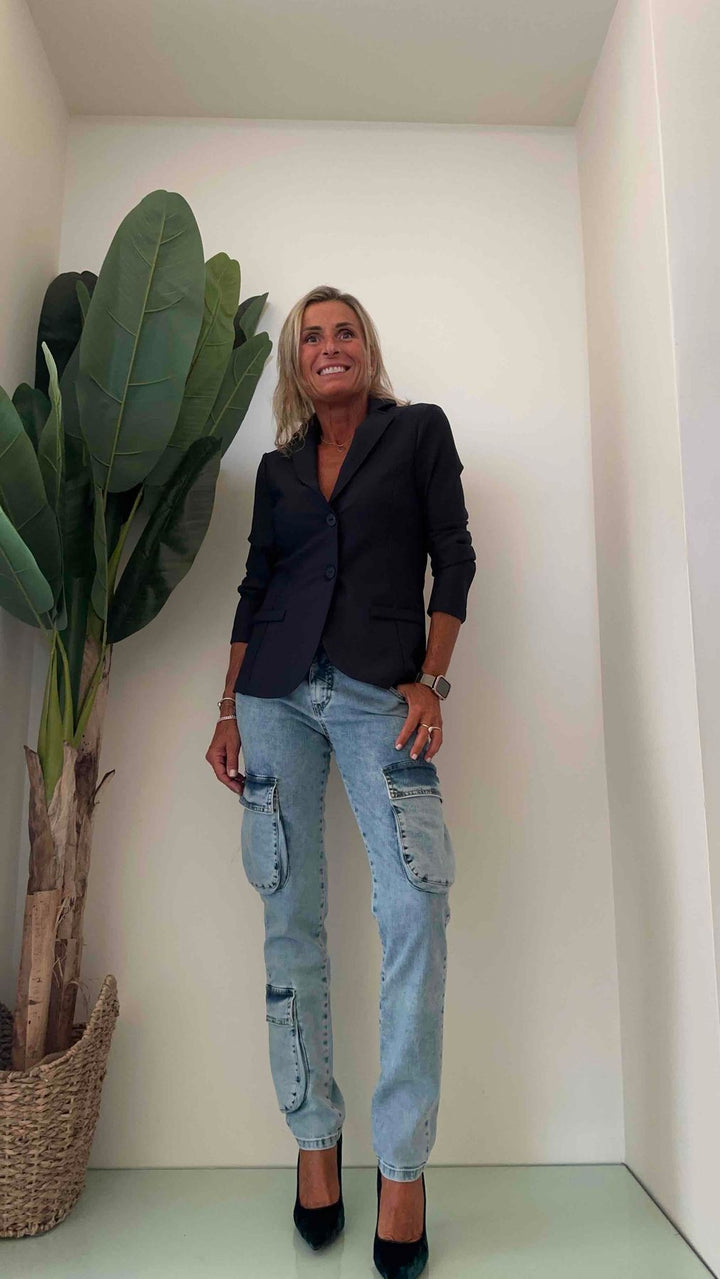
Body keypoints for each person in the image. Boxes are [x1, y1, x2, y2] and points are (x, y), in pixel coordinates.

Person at [205, 284, 476, 1278]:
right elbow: (255, 588)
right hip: (275, 696)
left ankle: (401, 1169)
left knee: (413, 911)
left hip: (378, 694)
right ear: (296, 362)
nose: (330, 345)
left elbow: (454, 559)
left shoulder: (417, 433)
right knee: (290, 918)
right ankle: (315, 1142)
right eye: (312, 336)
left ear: (366, 347)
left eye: (344, 330)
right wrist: (228, 708)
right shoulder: (278, 469)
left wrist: (432, 680)